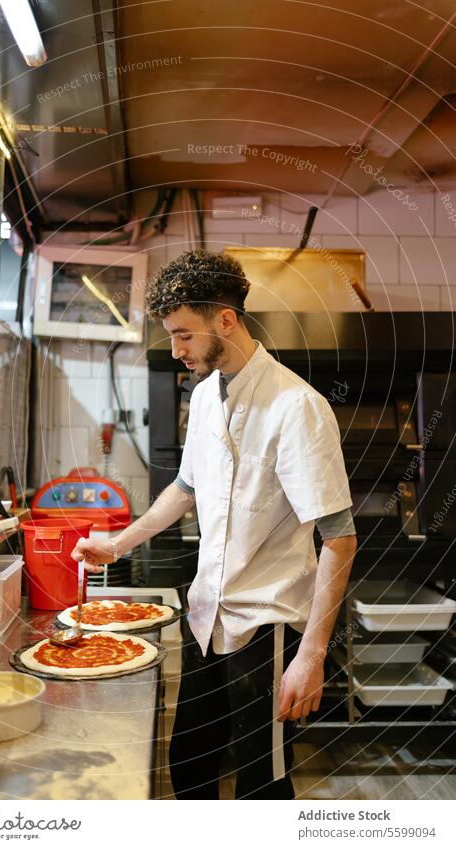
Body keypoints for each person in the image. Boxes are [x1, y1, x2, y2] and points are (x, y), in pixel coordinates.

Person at [71, 250, 357, 799]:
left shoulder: (297, 406)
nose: (176, 350)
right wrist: (117, 543)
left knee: (262, 781)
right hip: (205, 611)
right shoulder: (203, 395)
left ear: (226, 320)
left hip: (265, 623)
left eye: (184, 335)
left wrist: (311, 656)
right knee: (191, 763)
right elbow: (185, 488)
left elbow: (339, 538)